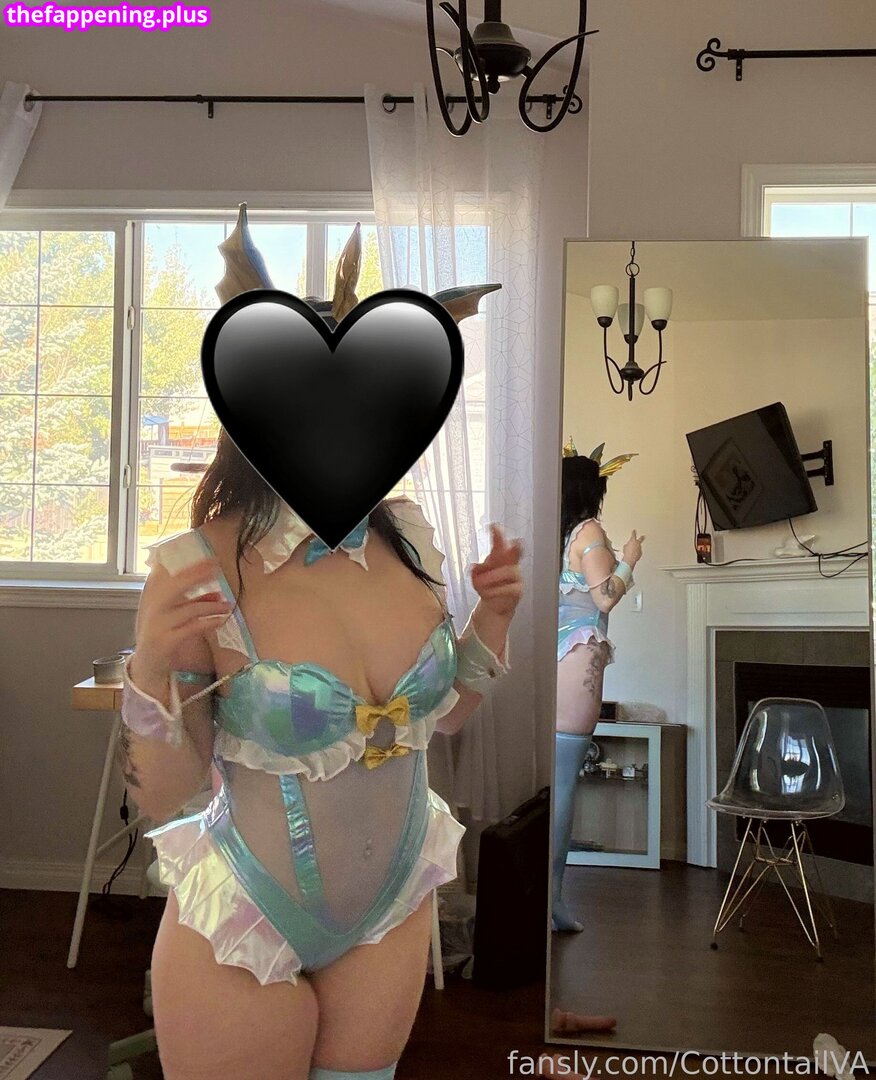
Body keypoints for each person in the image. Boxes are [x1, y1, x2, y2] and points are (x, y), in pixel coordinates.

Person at [118, 210, 524, 1080]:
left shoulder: (410, 543)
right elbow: (166, 796)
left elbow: (446, 721)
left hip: (391, 908)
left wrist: (491, 618)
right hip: (244, 916)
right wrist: (149, 666)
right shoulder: (199, 565)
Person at [552, 437, 644, 933]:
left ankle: (545, 895)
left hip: (552, 657)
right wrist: (629, 558)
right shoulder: (588, 531)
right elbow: (605, 596)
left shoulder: (557, 533)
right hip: (577, 660)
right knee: (565, 780)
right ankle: (552, 899)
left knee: (551, 780)